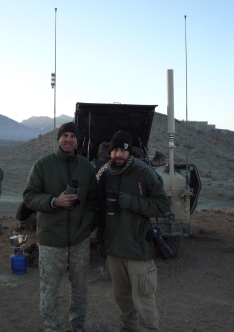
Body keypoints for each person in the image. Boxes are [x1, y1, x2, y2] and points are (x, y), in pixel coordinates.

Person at [23, 122, 98, 332]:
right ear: (58, 139)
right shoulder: (43, 165)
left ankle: (78, 323)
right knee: (49, 287)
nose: (69, 139)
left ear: (77, 140)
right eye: (65, 135)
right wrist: (54, 202)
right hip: (51, 240)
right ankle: (51, 325)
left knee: (80, 286)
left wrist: (88, 224)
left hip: (79, 240)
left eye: (73, 136)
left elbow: (93, 199)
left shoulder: (86, 167)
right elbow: (29, 197)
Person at [97, 130, 170, 332]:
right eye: (115, 150)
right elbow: (100, 212)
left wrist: (131, 202)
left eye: (123, 150)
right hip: (114, 250)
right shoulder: (105, 175)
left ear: (130, 153)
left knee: (144, 299)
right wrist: (102, 242)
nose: (119, 154)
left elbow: (163, 206)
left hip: (138, 249)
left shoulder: (142, 173)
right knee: (122, 298)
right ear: (110, 152)